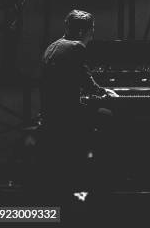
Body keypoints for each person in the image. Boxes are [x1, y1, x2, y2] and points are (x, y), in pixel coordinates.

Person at [39, 10, 118, 192]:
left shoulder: (52, 46)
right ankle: (103, 175)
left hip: (49, 114)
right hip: (67, 115)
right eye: (92, 29)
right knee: (109, 116)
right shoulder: (76, 47)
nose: (92, 34)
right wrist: (104, 92)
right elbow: (86, 81)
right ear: (83, 32)